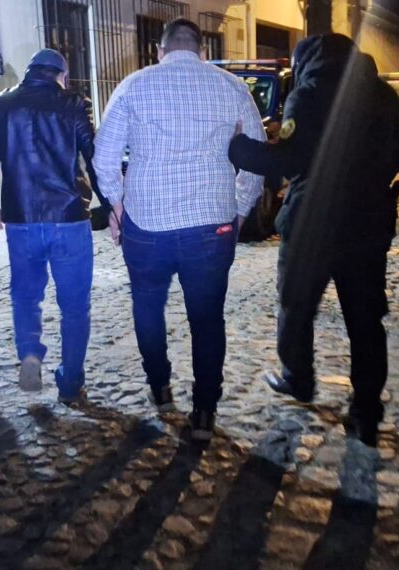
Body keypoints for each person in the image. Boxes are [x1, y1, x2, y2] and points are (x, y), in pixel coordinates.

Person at [228, 34, 399, 447]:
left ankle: (299, 378)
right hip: (368, 223)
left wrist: (239, 148)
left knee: (296, 306)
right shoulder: (383, 96)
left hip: (313, 225)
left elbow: (289, 160)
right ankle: (366, 410)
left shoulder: (308, 95)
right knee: (365, 320)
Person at [93, 19, 266, 441]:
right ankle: (204, 411)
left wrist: (117, 207)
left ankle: (160, 387)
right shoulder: (232, 87)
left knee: (148, 307)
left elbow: (103, 158)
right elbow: (257, 158)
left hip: (147, 226)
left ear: (160, 50)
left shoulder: (134, 85)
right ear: (202, 50)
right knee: (207, 319)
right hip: (211, 225)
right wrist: (240, 210)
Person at [0, 49, 110, 403]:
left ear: (30, 72)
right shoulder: (73, 104)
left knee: (26, 295)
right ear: (61, 75)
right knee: (75, 306)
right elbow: (95, 158)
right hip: (69, 218)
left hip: (22, 219)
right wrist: (110, 207)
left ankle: (30, 352)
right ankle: (71, 381)